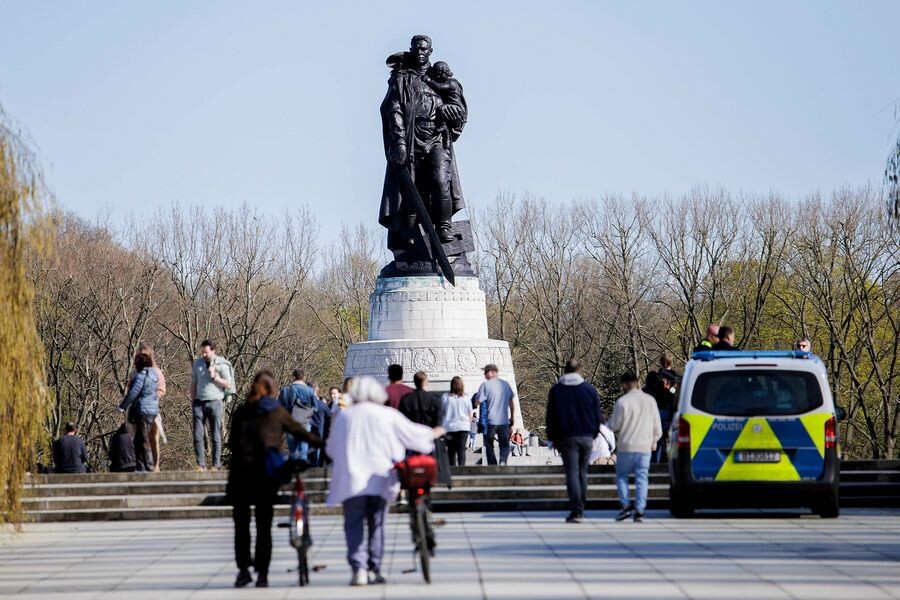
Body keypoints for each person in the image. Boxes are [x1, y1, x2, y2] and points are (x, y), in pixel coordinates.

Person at [325, 376, 444, 587]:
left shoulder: (345, 417)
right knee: (377, 524)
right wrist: (434, 433)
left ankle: (358, 569)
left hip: (352, 479)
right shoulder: (387, 415)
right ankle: (374, 568)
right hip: (380, 478)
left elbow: (331, 449)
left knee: (353, 524)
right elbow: (413, 435)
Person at [226, 370, 321, 589]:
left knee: (241, 526)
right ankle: (262, 573)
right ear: (272, 389)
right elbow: (301, 432)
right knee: (264, 527)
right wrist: (325, 444)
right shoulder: (276, 412)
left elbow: (232, 443)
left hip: (241, 475)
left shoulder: (242, 412)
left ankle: (243, 570)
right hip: (265, 476)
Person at [545, 358, 602, 523]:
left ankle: (576, 510)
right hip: (586, 437)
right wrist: (594, 433)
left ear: (565, 370)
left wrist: (552, 438)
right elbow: (597, 414)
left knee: (571, 472)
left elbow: (551, 416)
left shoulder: (556, 390)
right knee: (582, 472)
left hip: (567, 437)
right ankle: (581, 508)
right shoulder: (589, 389)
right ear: (579, 370)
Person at [609, 371, 662, 523]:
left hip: (626, 447)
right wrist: (653, 441)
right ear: (637, 382)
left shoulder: (622, 402)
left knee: (622, 477)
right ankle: (639, 510)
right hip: (644, 447)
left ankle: (625, 506)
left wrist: (608, 422)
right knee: (642, 478)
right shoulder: (650, 401)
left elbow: (615, 425)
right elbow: (657, 427)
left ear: (625, 385)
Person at [399, 372, 451, 486]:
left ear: (415, 383)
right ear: (426, 382)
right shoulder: (434, 400)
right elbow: (438, 423)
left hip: (412, 441)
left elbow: (401, 422)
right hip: (429, 441)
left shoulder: (406, 400)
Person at [190, 340, 234, 471]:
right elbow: (193, 383)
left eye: (206, 352)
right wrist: (193, 400)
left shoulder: (222, 364)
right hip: (199, 403)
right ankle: (201, 465)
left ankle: (216, 464)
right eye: (202, 352)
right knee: (198, 435)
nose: (203, 354)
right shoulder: (197, 364)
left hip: (215, 402)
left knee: (215, 435)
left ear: (213, 351)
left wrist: (215, 377)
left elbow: (228, 384)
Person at [118, 350, 160, 472]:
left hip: (143, 410)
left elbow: (133, 393)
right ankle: (143, 465)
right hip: (153, 410)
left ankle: (146, 465)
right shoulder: (154, 375)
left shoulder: (140, 376)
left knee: (141, 439)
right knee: (143, 438)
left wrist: (122, 406)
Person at [473, 364, 516, 466]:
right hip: (503, 421)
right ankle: (503, 460)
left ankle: (493, 464)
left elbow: (477, 402)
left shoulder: (485, 385)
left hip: (490, 421)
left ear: (493, 372)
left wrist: (476, 398)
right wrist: (512, 417)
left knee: (488, 444)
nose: (484, 375)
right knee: (504, 444)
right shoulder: (505, 385)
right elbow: (511, 403)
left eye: (485, 372)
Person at [136, 343, 167, 472]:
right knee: (139, 439)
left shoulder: (157, 372)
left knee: (154, 438)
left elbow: (162, 389)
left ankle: (155, 466)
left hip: (152, 409)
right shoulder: (135, 372)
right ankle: (142, 466)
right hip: (138, 410)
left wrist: (151, 396)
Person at [277, 369, 318, 463]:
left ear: (293, 377)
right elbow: (315, 408)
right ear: (303, 377)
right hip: (305, 423)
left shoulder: (285, 390)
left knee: (293, 452)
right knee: (303, 451)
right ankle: (302, 470)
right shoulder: (309, 391)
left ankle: (294, 470)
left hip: (290, 423)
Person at [442, 376, 472, 466]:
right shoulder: (466, 398)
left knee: (451, 451)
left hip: (449, 427)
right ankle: (462, 469)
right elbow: (469, 414)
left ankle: (452, 471)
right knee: (461, 450)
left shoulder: (445, 397)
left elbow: (442, 412)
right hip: (463, 427)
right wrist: (469, 425)